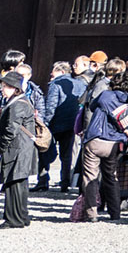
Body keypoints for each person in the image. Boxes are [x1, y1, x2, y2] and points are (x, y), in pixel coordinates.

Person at [72, 58, 128, 222]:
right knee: (111, 176)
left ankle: (91, 213)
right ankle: (115, 213)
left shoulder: (105, 95)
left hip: (96, 138)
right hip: (115, 142)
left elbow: (92, 107)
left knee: (90, 176)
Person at [0, 70, 37, 228]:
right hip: (21, 148)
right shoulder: (21, 101)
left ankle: (13, 219)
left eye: (6, 86)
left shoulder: (17, 105)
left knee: (14, 184)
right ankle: (21, 216)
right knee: (18, 185)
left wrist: (0, 147)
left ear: (15, 89)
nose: (2, 89)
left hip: (17, 149)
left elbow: (10, 130)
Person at [42, 58, 82, 192]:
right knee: (67, 155)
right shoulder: (80, 84)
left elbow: (51, 105)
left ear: (60, 71)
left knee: (45, 151)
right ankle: (65, 182)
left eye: (53, 72)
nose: (51, 75)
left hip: (56, 123)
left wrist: (45, 123)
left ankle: (43, 180)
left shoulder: (56, 84)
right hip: (72, 123)